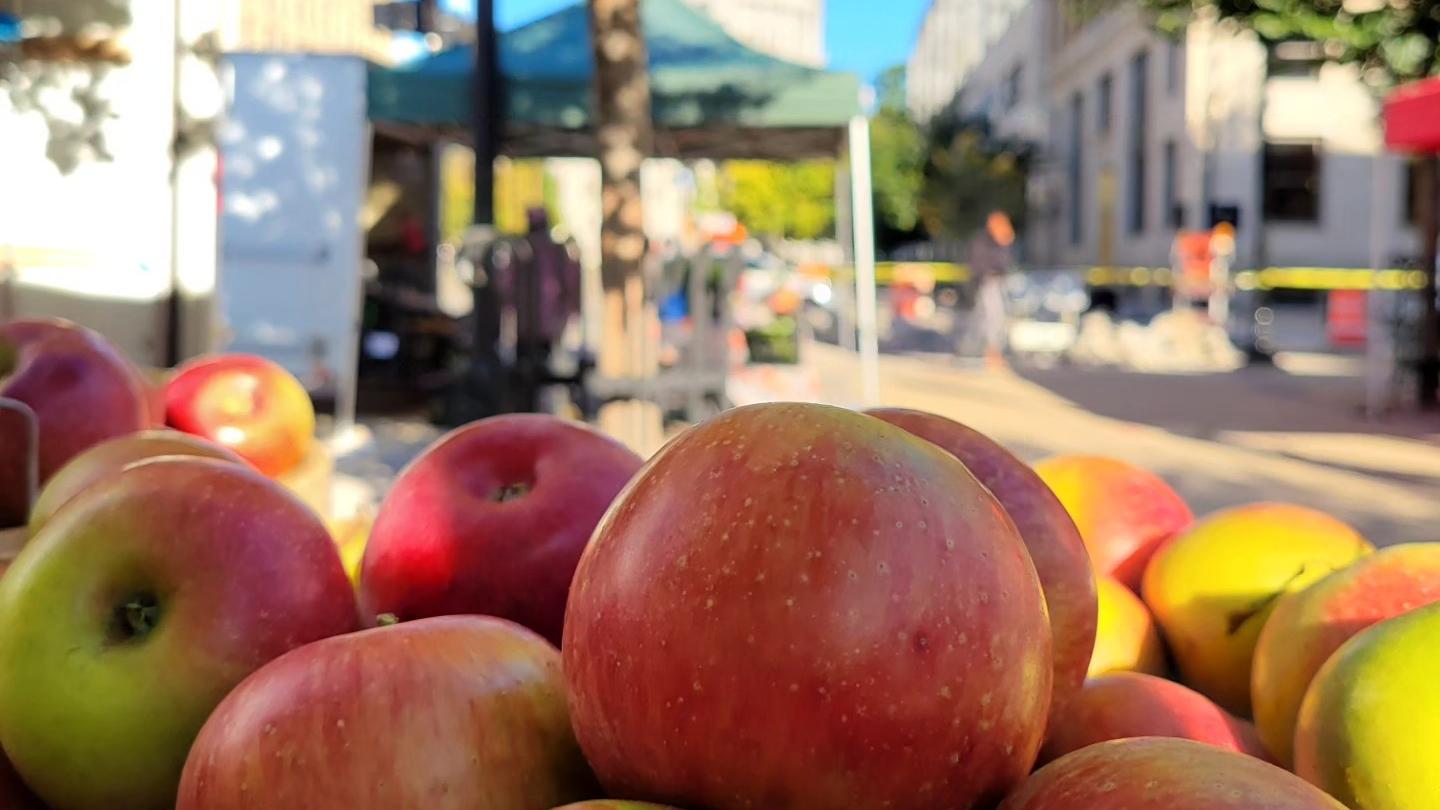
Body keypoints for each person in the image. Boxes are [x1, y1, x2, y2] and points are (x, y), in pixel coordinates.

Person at [968, 211, 1015, 369]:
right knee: (991, 318)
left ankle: (986, 350)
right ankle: (988, 352)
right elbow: (980, 263)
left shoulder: (999, 242)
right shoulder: (984, 242)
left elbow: (1004, 262)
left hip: (997, 282)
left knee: (990, 318)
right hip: (987, 282)